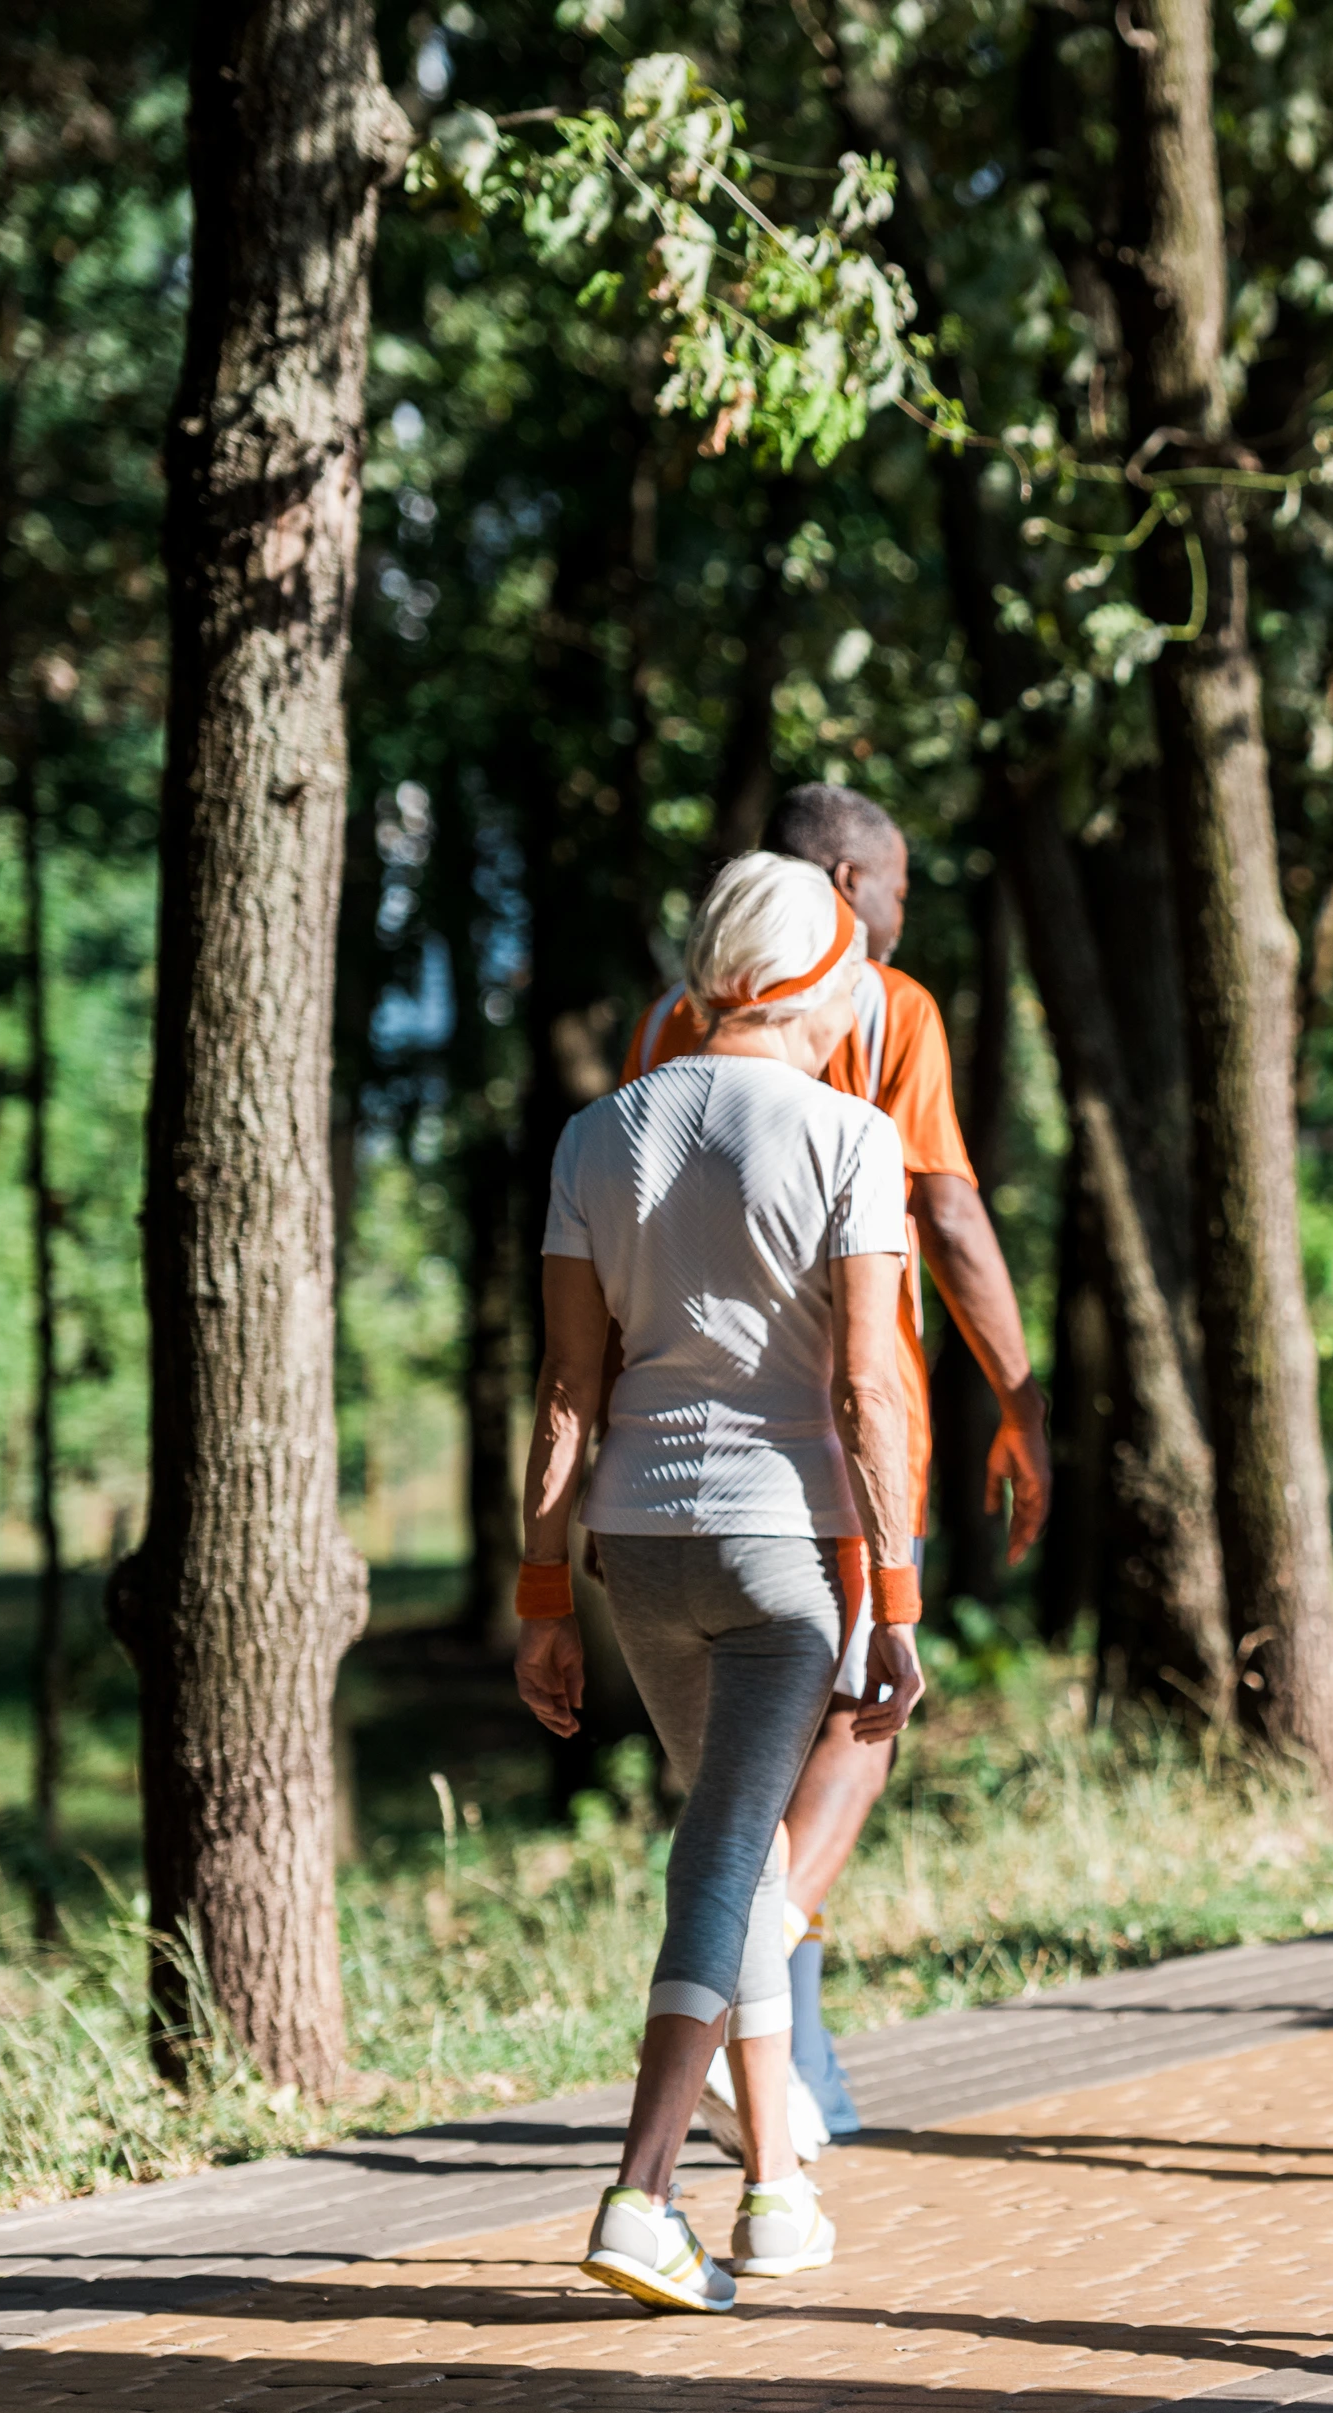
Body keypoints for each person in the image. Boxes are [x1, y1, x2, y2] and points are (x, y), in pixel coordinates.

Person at [521, 851, 928, 2314]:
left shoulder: (595, 1136)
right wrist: (896, 1595)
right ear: (815, 982)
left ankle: (772, 2195)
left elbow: (569, 1392)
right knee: (720, 1867)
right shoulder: (849, 1137)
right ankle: (641, 2191)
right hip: (781, 1557)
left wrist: (541, 1597)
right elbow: (871, 1392)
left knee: (741, 1856)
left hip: (638, 1552)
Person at [622, 785, 1050, 2148]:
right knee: (864, 1714)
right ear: (853, 883)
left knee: (745, 1771)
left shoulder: (660, 1027)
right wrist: (1020, 1393)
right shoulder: (891, 1008)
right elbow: (950, 1207)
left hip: (673, 1453)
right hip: (845, 1430)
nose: (904, 914)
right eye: (903, 888)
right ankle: (752, 2006)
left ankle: (793, 2066)